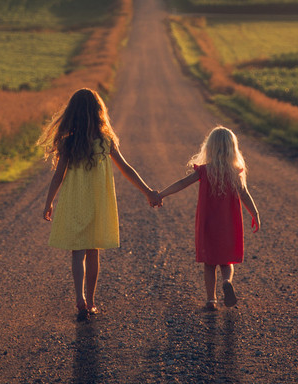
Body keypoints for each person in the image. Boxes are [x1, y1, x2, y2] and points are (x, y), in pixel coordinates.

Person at [40, 88, 162, 321]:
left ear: (72, 114)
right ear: (98, 113)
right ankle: (92, 300)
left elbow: (58, 176)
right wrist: (148, 192)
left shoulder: (68, 143)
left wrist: (49, 203)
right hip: (97, 201)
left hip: (75, 201)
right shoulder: (105, 141)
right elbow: (127, 169)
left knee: (78, 251)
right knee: (93, 250)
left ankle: (79, 297)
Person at [159, 126, 260, 310]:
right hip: (228, 225)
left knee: (209, 263)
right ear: (232, 149)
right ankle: (227, 282)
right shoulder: (235, 172)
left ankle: (211, 300)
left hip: (208, 225)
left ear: (210, 148)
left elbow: (182, 183)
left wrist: (161, 194)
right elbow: (244, 194)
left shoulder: (204, 171)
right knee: (226, 262)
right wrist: (255, 214)